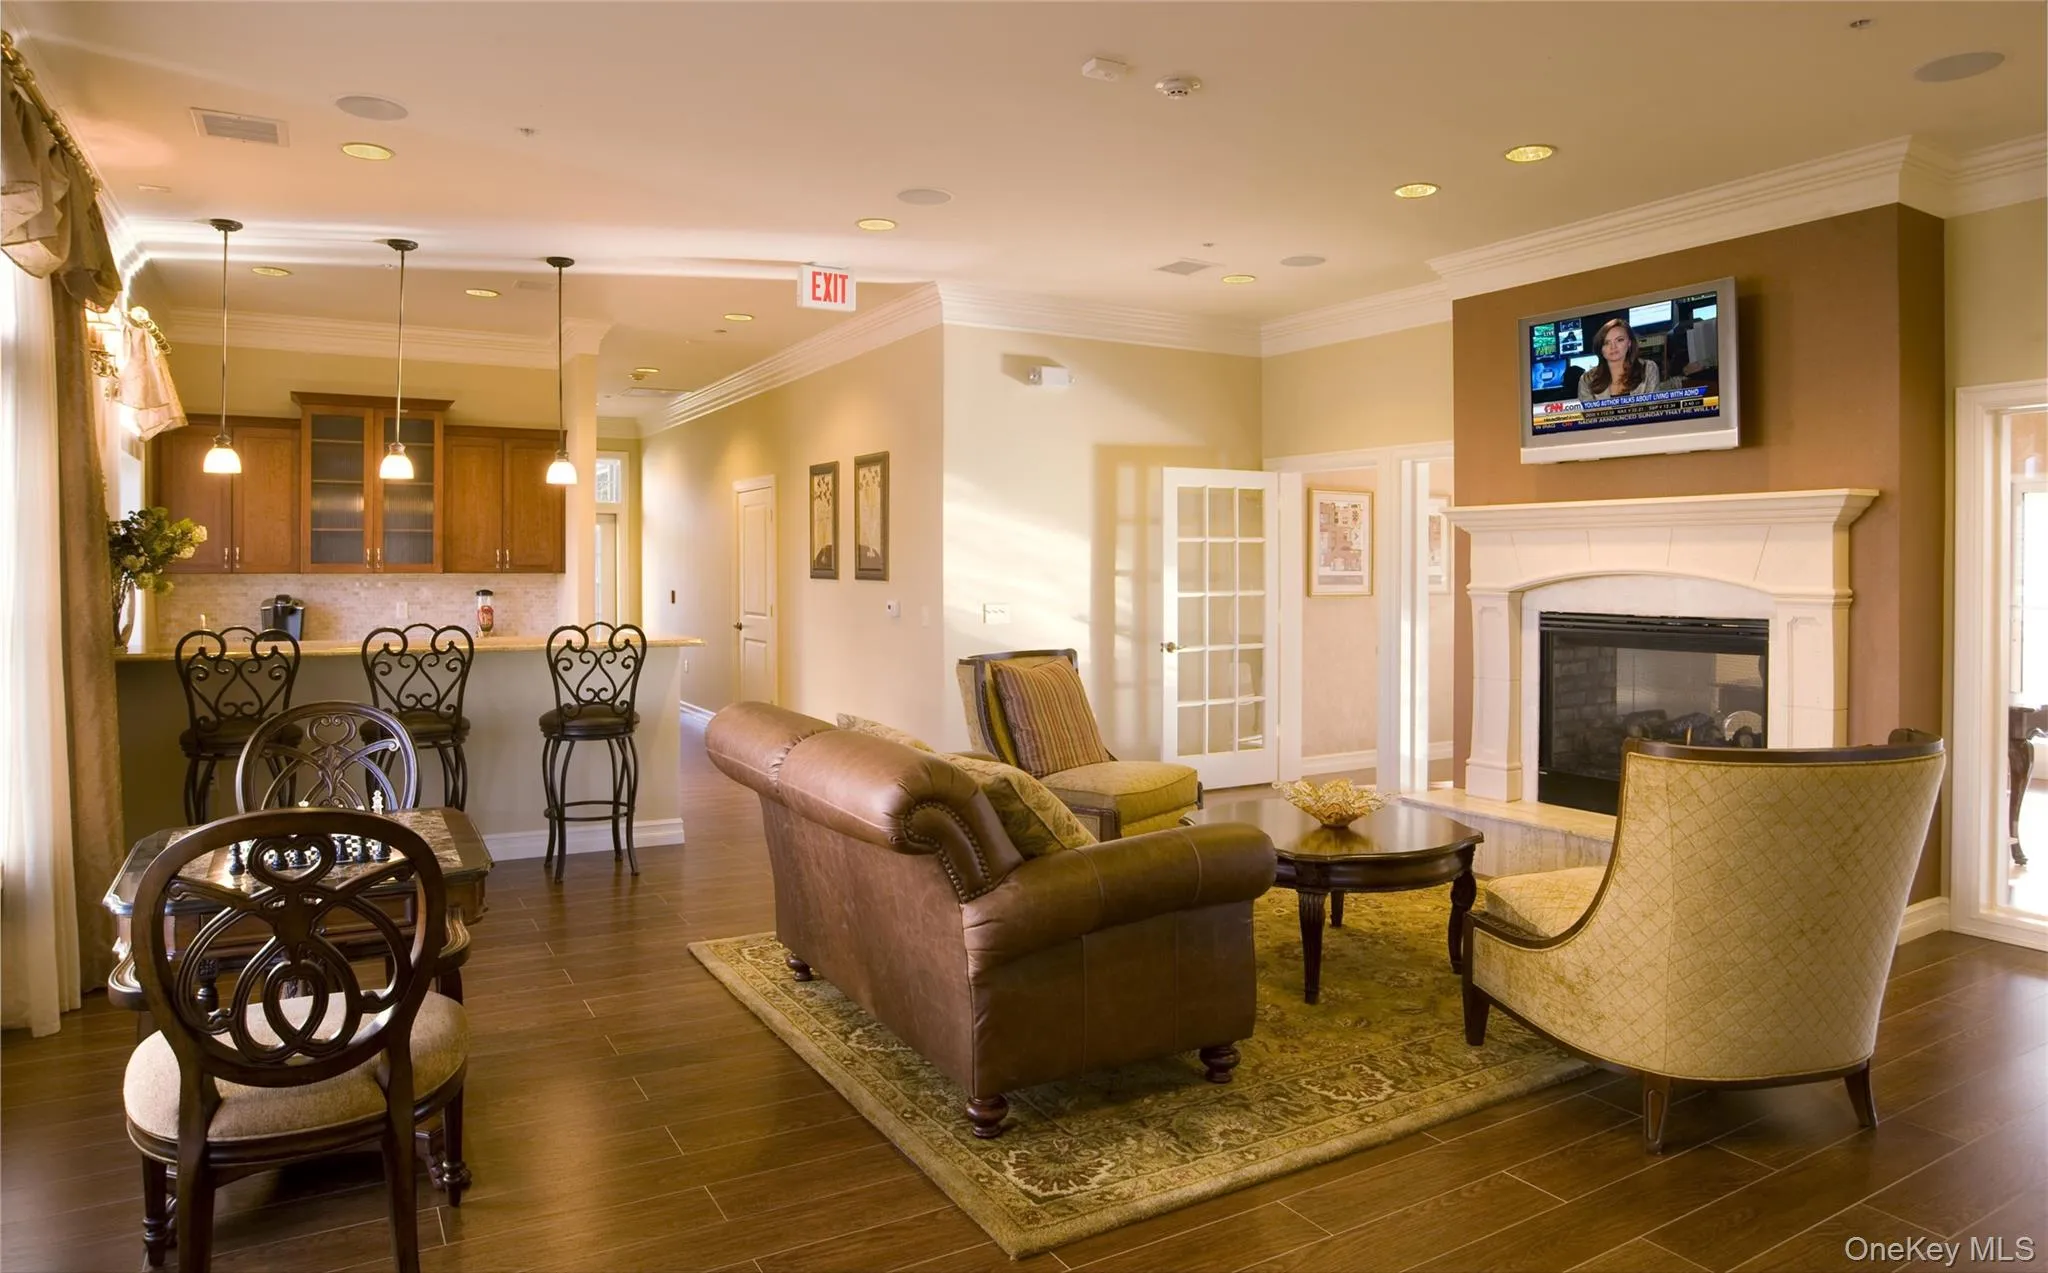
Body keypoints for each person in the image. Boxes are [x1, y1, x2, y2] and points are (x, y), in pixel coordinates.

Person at [1579, 318, 1662, 400]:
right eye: (1606, 343)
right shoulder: (1587, 380)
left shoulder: (1647, 369)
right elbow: (1589, 413)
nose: (1613, 347)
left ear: (1629, 343)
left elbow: (1652, 409)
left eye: (1619, 340)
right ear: (1600, 348)